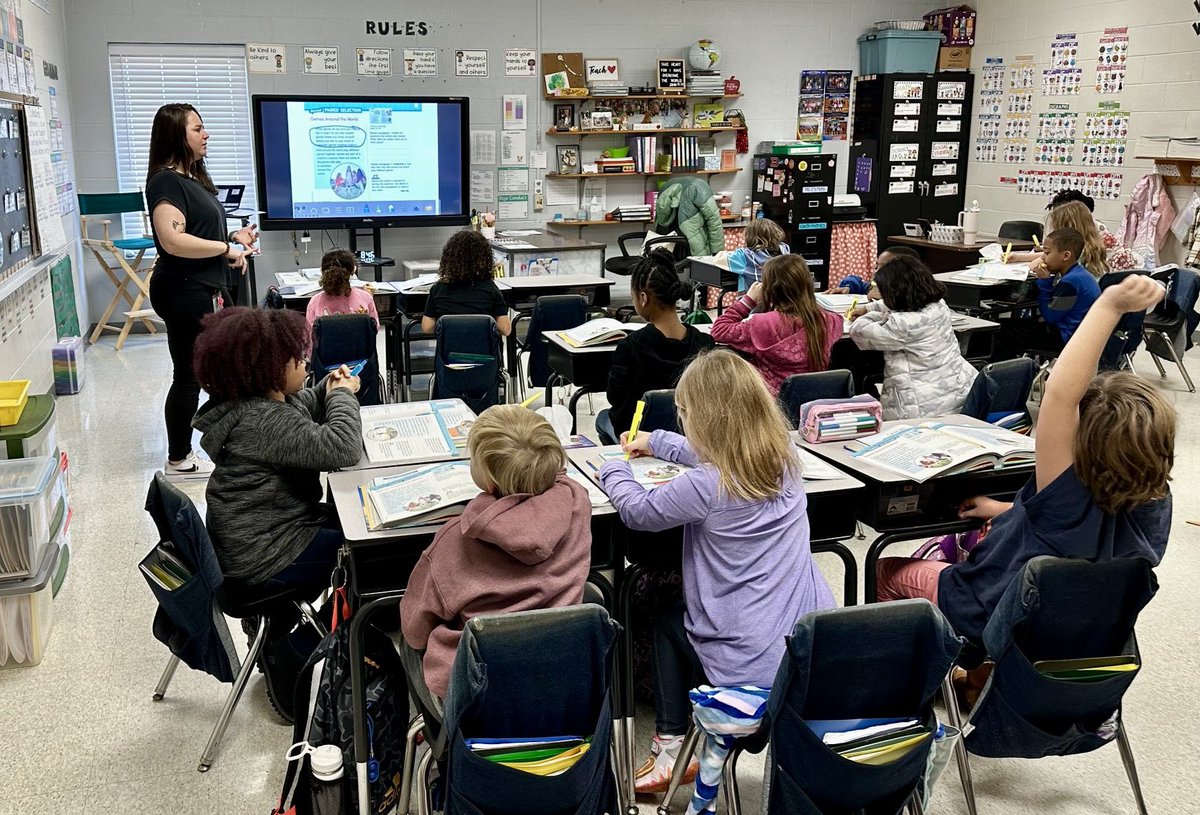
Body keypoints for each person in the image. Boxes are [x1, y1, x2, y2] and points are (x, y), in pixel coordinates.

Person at [875, 274, 1174, 647]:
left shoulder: (1065, 493)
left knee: (884, 571)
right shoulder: (1156, 500)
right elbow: (1090, 532)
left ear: (1081, 438)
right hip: (1076, 635)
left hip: (989, 613)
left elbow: (1061, 395)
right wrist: (1004, 508)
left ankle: (920, 679)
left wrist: (1109, 305)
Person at [599, 350, 835, 794]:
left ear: (703, 419)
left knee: (663, 610)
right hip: (808, 648)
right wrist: (660, 441)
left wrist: (613, 468)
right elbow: (723, 451)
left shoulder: (705, 485)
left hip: (747, 666)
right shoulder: (784, 457)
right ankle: (675, 741)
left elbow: (637, 511)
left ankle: (669, 744)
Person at [399, 405, 592, 712]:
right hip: (558, 686)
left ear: (488, 482)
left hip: (479, 698)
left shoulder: (455, 540)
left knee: (408, 643)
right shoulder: (578, 505)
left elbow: (415, 628)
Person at [192, 307, 361, 595]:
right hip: (268, 558)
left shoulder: (257, 403)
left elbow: (302, 407)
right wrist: (343, 394)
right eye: (295, 357)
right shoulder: (262, 420)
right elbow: (343, 448)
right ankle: (328, 638)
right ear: (270, 369)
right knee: (367, 548)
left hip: (258, 541)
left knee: (353, 519)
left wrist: (328, 387)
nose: (305, 361)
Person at [145, 103, 258, 477]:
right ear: (176, 135)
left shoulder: (194, 178)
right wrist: (227, 249)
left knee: (214, 371)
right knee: (190, 375)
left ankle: (223, 444)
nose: (205, 134)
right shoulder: (166, 180)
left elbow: (200, 233)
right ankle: (179, 458)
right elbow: (173, 240)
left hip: (204, 285)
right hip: (184, 291)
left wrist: (232, 240)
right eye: (197, 129)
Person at [597, 251, 714, 443]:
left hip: (638, 437)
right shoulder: (704, 343)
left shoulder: (630, 346)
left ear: (643, 298)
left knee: (603, 417)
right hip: (691, 437)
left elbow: (615, 398)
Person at [848, 255, 977, 419]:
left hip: (919, 407)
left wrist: (870, 315)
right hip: (957, 393)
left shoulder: (900, 326)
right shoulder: (938, 305)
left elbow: (859, 332)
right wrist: (870, 307)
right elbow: (900, 302)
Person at [710, 254, 842, 395]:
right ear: (808, 284)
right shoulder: (829, 321)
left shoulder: (761, 324)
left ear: (768, 290)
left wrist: (748, 301)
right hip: (813, 403)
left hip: (769, 405)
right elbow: (838, 319)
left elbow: (718, 330)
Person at [993, 228, 1101, 360]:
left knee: (1000, 329)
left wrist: (1045, 282)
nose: (1043, 258)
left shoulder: (1070, 282)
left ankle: (1003, 374)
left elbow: (1050, 316)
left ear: (1066, 256)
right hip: (1077, 334)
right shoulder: (1081, 274)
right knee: (1016, 325)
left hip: (1065, 338)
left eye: (1047, 253)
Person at [421, 230, 511, 336]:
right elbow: (505, 329)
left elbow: (427, 327)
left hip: (450, 351)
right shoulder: (490, 289)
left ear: (449, 258)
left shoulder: (438, 289)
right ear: (485, 259)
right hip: (485, 351)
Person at [305, 247, 380, 335]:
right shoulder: (365, 297)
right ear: (353, 269)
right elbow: (375, 329)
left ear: (322, 271)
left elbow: (309, 337)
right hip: (358, 348)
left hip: (327, 348)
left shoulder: (315, 301)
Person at [721, 218, 789, 292]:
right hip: (782, 296)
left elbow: (719, 259)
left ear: (749, 236)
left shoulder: (745, 255)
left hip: (755, 300)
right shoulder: (784, 249)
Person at [830, 245, 921, 295]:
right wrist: (848, 287)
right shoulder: (876, 286)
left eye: (884, 268)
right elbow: (860, 284)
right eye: (876, 267)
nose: (876, 272)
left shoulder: (914, 299)